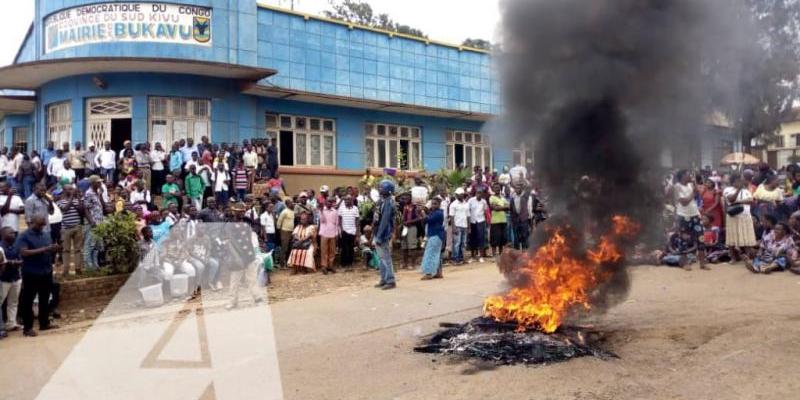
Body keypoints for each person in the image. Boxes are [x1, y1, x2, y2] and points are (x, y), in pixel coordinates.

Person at [17, 215, 60, 337]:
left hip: (45, 271)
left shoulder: (45, 234)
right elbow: (24, 252)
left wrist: (54, 249)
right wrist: (45, 249)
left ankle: (44, 323)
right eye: (39, 225)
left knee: (44, 299)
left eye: (43, 225)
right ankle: (28, 328)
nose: (41, 227)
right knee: (28, 300)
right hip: (31, 273)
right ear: (32, 223)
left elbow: (49, 248)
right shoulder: (24, 236)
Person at [724, 174, 757, 259]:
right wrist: (739, 190)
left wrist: (739, 202)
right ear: (733, 181)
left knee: (746, 236)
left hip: (745, 216)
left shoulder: (746, 191)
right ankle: (733, 257)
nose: (741, 182)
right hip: (733, 217)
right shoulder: (728, 189)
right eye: (738, 181)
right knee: (732, 237)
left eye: (741, 180)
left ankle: (748, 256)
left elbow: (751, 200)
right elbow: (731, 199)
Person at [373, 180, 397, 290]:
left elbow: (385, 221)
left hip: (383, 233)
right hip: (378, 232)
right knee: (381, 258)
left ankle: (390, 280)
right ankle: (383, 279)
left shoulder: (388, 202)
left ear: (387, 190)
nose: (379, 189)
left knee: (386, 257)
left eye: (381, 188)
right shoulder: (381, 201)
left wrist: (379, 236)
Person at [57, 184, 84, 276]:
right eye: (69, 189)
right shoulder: (60, 201)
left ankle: (78, 268)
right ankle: (65, 270)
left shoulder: (77, 200)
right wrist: (72, 198)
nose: (71, 190)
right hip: (65, 228)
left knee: (78, 249)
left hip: (77, 226)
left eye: (72, 189)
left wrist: (79, 198)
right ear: (64, 190)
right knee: (66, 250)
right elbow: (65, 209)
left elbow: (81, 211)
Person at [0, 226, 22, 332]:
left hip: (15, 277)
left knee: (13, 302)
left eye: (14, 233)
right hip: (4, 279)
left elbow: (20, 259)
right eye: (10, 233)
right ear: (3, 235)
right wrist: (12, 262)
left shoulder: (15, 246)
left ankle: (11, 323)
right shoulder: (1, 247)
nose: (13, 234)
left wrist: (14, 262)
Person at [83, 175, 106, 271]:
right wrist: (91, 221)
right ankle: (88, 266)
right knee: (89, 244)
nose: (100, 183)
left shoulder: (97, 193)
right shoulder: (88, 193)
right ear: (92, 183)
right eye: (98, 182)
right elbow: (86, 208)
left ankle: (95, 264)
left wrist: (101, 194)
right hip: (92, 222)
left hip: (99, 221)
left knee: (97, 245)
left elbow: (103, 205)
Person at [420, 197, 445, 280]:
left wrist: (423, 212)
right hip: (436, 235)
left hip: (435, 235)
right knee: (436, 254)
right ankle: (438, 272)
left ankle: (428, 273)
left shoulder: (438, 213)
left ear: (439, 204)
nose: (433, 205)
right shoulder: (434, 212)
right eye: (432, 203)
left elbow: (428, 220)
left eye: (435, 204)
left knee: (430, 254)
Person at [401, 194, 423, 269]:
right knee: (404, 246)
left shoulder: (415, 207)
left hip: (412, 227)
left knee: (412, 246)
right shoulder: (404, 206)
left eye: (407, 197)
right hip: (405, 227)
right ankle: (405, 263)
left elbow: (419, 218)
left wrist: (410, 221)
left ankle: (412, 264)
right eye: (404, 198)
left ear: (411, 198)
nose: (405, 199)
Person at [448, 188, 469, 265]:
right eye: (459, 194)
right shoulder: (453, 204)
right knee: (456, 243)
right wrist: (453, 227)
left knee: (463, 243)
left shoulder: (466, 203)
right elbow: (451, 216)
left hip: (465, 225)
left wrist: (469, 227)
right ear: (456, 195)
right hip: (457, 226)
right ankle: (454, 259)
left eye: (462, 194)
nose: (461, 195)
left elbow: (468, 216)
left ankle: (461, 258)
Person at [319, 197, 339, 274]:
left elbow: (337, 223)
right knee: (324, 251)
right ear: (325, 203)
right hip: (324, 233)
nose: (329, 203)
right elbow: (322, 221)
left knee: (332, 251)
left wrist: (337, 233)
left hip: (333, 233)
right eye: (328, 202)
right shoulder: (322, 210)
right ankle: (324, 266)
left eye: (331, 202)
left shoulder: (335, 211)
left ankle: (330, 265)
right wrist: (321, 211)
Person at [468, 189, 489, 262]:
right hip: (472, 221)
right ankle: (472, 256)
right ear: (475, 193)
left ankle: (481, 256)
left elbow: (486, 211)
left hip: (481, 221)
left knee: (481, 238)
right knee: (472, 238)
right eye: (478, 193)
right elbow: (468, 211)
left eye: (480, 193)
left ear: (482, 194)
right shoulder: (471, 200)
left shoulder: (484, 201)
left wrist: (487, 222)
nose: (479, 194)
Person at [338, 195, 359, 268]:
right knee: (344, 248)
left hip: (352, 231)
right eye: (346, 199)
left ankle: (350, 263)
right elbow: (339, 220)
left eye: (349, 199)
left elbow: (357, 221)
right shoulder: (341, 208)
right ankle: (343, 263)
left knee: (351, 248)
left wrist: (357, 232)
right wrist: (340, 229)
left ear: (351, 200)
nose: (347, 201)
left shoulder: (355, 208)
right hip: (344, 231)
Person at [489, 183, 509, 256]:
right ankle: (494, 254)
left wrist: (499, 207)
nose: (497, 189)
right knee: (495, 238)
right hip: (495, 221)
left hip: (503, 220)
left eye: (498, 187)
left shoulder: (503, 198)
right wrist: (503, 207)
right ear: (493, 189)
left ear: (500, 188)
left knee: (502, 238)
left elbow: (508, 207)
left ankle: (501, 253)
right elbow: (494, 208)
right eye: (495, 188)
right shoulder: (491, 197)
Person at [276, 198, 295, 267]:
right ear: (287, 204)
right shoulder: (284, 211)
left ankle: (288, 263)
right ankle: (281, 264)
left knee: (290, 248)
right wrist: (280, 231)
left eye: (292, 202)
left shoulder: (293, 211)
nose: (292, 204)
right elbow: (279, 221)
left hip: (291, 232)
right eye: (290, 203)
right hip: (284, 231)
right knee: (284, 248)